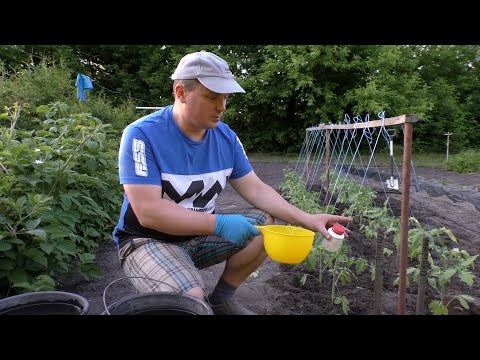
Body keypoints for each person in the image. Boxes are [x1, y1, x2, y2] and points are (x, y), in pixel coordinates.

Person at [112, 50, 352, 315]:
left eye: (225, 97)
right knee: (191, 302)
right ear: (181, 92)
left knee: (265, 222)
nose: (222, 106)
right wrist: (219, 223)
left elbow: (255, 188)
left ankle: (222, 300)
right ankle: (190, 292)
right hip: (147, 241)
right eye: (212, 97)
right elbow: (148, 212)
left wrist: (307, 219)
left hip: (198, 237)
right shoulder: (142, 135)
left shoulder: (225, 137)